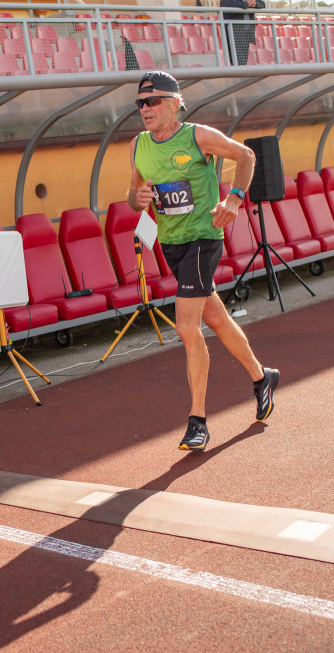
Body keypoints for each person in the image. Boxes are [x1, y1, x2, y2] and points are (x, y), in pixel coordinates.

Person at [127, 71, 279, 451]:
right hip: (172, 243)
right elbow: (133, 193)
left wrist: (234, 199)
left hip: (203, 238)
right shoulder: (138, 146)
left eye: (153, 101)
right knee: (215, 318)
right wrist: (138, 199)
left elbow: (245, 154)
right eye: (140, 103)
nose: (145, 109)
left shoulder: (198, 136)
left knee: (186, 327)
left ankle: (197, 422)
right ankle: (262, 378)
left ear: (175, 103)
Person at [220, 0, 265, 66]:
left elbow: (262, 4)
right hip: (233, 30)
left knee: (243, 58)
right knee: (236, 59)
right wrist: (246, 4)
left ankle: (241, 72)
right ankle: (239, 73)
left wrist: (255, 4)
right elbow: (227, 3)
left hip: (246, 30)